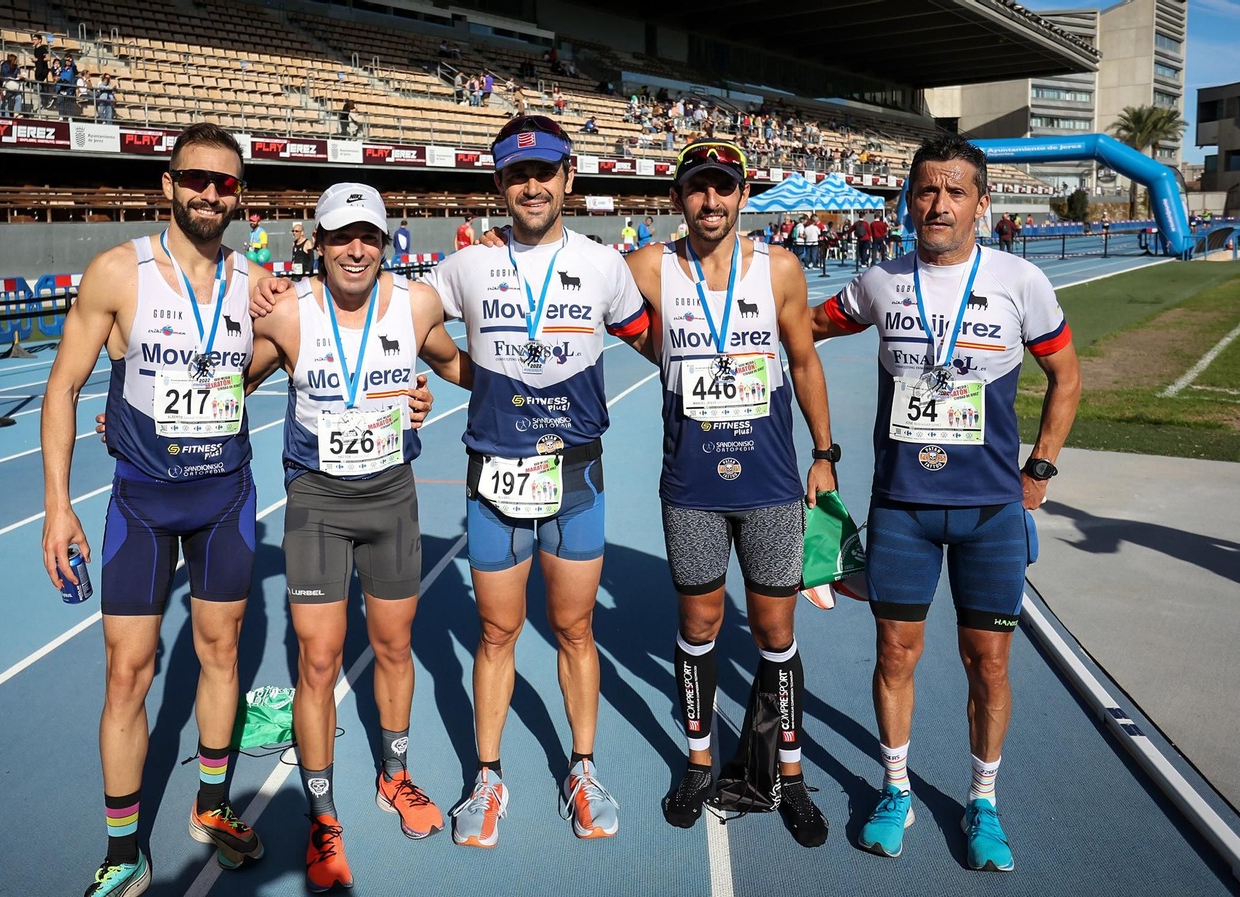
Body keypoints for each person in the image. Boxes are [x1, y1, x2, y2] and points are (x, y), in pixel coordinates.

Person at [811, 134, 1081, 873]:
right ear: (909, 200)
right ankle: (895, 788)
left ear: (981, 203)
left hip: (992, 510)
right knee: (895, 651)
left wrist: (1040, 471)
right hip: (902, 505)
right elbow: (808, 327)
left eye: (955, 191)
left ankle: (982, 799)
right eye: (926, 190)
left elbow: (1067, 376)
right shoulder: (878, 280)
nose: (939, 203)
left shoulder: (1021, 280)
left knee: (987, 664)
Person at [42, 125, 268, 897]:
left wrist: (405, 395)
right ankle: (121, 847)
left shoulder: (255, 283)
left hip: (225, 497)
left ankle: (212, 808)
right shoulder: (118, 272)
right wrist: (57, 506)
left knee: (220, 653)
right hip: (141, 503)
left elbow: (283, 360)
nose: (211, 193)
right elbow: (62, 387)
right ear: (167, 184)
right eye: (197, 178)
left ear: (239, 195)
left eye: (226, 183)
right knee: (127, 675)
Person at [423, 114, 651, 847]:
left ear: (568, 179)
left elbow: (652, 339)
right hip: (492, 478)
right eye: (517, 174)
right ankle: (487, 777)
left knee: (576, 630)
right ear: (498, 184)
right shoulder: (468, 265)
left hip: (575, 476)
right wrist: (462, 373)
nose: (532, 185)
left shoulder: (602, 265)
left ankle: (581, 768)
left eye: (545, 171)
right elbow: (407, 322)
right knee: (495, 631)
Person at [248, 183, 469, 891]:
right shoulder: (286, 311)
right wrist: (134, 422)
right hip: (317, 501)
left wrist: (454, 391)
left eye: (368, 236)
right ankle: (321, 814)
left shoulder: (414, 304)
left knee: (394, 646)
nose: (356, 249)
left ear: (385, 241)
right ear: (317, 239)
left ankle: (395, 775)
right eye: (342, 235)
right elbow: (225, 384)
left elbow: (456, 363)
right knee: (318, 659)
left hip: (392, 497)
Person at [628, 139, 835, 846]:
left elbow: (804, 361)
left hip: (772, 482)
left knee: (776, 633)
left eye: (722, 188)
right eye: (697, 188)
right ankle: (698, 761)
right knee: (700, 626)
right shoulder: (653, 267)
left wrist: (825, 456)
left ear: (742, 195)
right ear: (678, 198)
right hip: (690, 487)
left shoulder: (778, 268)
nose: (710, 201)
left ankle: (793, 772)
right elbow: (583, 292)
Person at [31, 33, 50, 113]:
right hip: (38, 69)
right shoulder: (35, 49)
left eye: (35, 39)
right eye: (33, 39)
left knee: (39, 84)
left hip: (43, 70)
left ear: (39, 40)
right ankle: (43, 102)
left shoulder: (42, 48)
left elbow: (48, 58)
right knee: (39, 86)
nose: (33, 41)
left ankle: (47, 99)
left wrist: (38, 60)